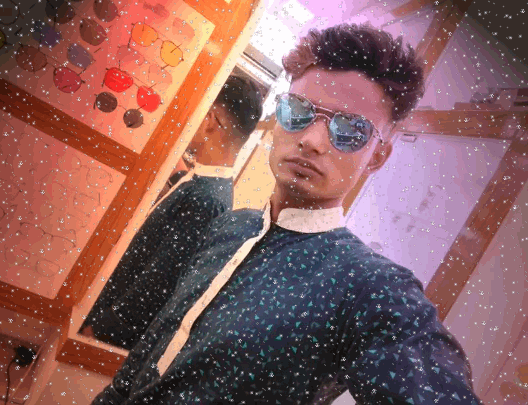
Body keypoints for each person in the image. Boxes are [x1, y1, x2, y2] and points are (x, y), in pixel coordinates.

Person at [92, 24, 482, 404]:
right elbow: (149, 354)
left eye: (350, 130)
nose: (312, 141)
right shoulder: (229, 226)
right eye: (298, 111)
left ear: (377, 156)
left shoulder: (369, 287)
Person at [81, 74, 264, 350]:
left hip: (105, 331)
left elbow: (156, 285)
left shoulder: (206, 200)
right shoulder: (206, 184)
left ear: (210, 121)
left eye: (198, 112)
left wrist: (101, 330)